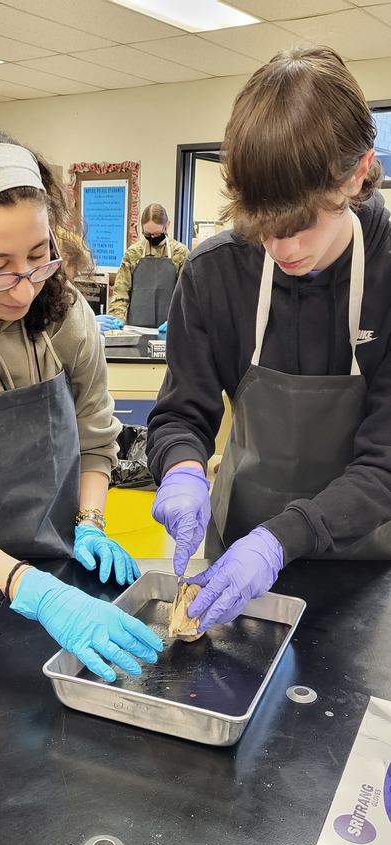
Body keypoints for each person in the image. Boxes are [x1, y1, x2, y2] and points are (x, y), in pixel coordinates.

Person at [146, 45, 391, 634]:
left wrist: (281, 542)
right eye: (261, 228)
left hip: (367, 564)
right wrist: (180, 468)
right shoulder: (213, 273)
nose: (282, 251)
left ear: (360, 171)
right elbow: (181, 413)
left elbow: (386, 464)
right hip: (236, 563)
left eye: (303, 224)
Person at [0, 125, 163, 682]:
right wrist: (40, 594)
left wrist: (91, 521)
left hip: (56, 563)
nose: (24, 288)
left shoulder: (65, 314)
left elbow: (97, 438)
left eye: (38, 255)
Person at [108, 203, 189, 330]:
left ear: (167, 225)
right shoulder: (133, 253)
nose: (152, 238)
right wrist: (117, 317)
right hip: (136, 328)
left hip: (170, 329)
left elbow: (186, 295)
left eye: (157, 234)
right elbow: (121, 292)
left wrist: (177, 320)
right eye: (147, 234)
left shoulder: (180, 253)